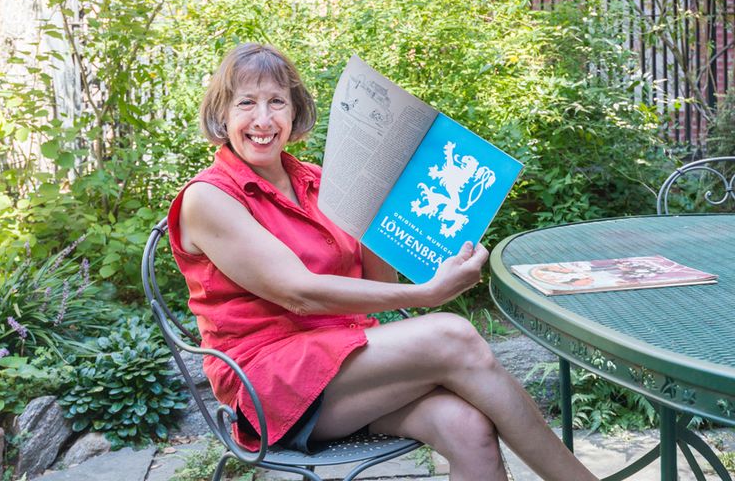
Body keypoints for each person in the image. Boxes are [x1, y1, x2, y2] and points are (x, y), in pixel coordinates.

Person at [167, 42, 597, 481]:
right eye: (246, 103)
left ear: (294, 113)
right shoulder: (208, 197)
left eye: (277, 101)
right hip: (269, 386)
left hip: (347, 366)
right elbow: (298, 293)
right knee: (453, 334)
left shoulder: (323, 182)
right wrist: (427, 294)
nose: (263, 119)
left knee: (467, 428)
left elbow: (378, 280)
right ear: (222, 116)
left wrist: (381, 205)